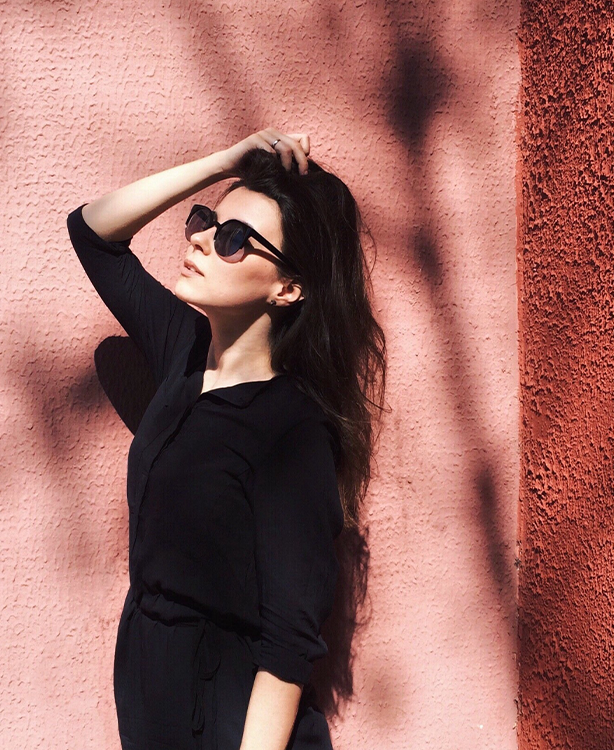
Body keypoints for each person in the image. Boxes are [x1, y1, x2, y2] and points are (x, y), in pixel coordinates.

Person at [66, 128, 386, 750]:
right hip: (158, 709)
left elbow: (288, 646)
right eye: (209, 221)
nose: (204, 240)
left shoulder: (293, 431)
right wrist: (223, 162)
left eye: (237, 239)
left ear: (288, 288)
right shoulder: (184, 353)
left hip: (229, 725)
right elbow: (93, 233)